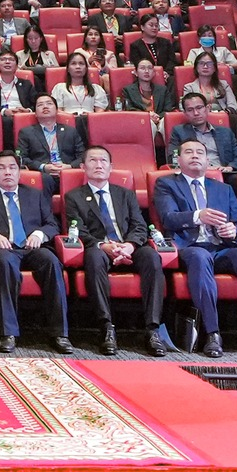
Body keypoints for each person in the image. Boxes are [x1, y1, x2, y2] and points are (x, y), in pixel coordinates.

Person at [151, 137, 237, 359]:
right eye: (188, 152)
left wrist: (234, 232)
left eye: (200, 152)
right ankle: (212, 333)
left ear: (208, 161)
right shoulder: (166, 184)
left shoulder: (223, 189)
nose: (195, 156)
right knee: (200, 257)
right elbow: (168, 218)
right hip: (189, 247)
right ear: (178, 160)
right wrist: (198, 216)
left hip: (221, 247)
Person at [65, 144, 169, 356]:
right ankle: (106, 327)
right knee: (94, 257)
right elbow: (77, 230)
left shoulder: (125, 194)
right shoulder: (74, 196)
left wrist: (129, 246)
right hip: (99, 247)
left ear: (111, 167)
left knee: (151, 256)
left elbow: (139, 226)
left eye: (103, 161)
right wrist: (104, 246)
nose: (99, 165)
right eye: (93, 160)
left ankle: (152, 329)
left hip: (128, 245)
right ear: (83, 167)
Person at [0, 151, 73, 355]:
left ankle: (60, 333)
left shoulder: (35, 194)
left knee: (51, 261)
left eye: (12, 167)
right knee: (5, 262)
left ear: (19, 171)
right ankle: (9, 333)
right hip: (4, 248)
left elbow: (52, 224)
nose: (7, 172)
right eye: (1, 168)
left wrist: (40, 234)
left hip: (33, 247)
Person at [167, 92, 237, 172]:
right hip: (194, 174)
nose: (196, 113)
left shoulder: (225, 132)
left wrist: (230, 167)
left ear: (208, 108)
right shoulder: (179, 132)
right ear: (185, 113)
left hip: (223, 173)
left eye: (199, 108)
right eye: (190, 110)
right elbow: (173, 157)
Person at [16, 95, 83, 172]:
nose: (45, 107)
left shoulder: (70, 131)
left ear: (57, 110)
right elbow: (20, 157)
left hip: (67, 171)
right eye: (40, 105)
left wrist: (69, 166)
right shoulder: (26, 132)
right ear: (35, 113)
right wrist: (43, 167)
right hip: (42, 173)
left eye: (49, 103)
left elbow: (82, 156)